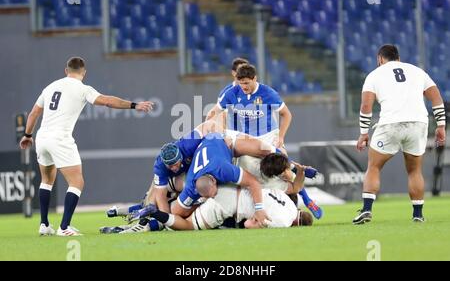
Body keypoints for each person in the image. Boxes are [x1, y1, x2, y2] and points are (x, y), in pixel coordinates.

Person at [19, 57, 153, 236]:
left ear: (66, 71)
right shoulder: (83, 89)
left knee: (46, 181)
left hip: (42, 137)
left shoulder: (50, 87)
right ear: (84, 73)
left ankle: (44, 225)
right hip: (60, 138)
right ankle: (64, 227)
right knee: (77, 182)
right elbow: (106, 101)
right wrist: (134, 105)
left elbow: (34, 113)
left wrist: (28, 135)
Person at [213, 63, 323, 219]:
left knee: (284, 168)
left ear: (254, 79)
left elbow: (287, 114)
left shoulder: (267, 93)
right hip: (246, 139)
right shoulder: (231, 92)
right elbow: (216, 113)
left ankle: (306, 201)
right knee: (246, 174)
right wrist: (220, 132)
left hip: (268, 137)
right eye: (241, 82)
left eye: (246, 83)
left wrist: (281, 137)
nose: (243, 86)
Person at [353, 45, 446, 225]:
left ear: (380, 59)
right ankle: (417, 214)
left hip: (390, 123)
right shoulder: (417, 71)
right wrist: (441, 125)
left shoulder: (374, 75)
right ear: (398, 57)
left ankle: (366, 210)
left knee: (374, 167)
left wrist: (363, 133)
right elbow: (436, 98)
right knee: (414, 170)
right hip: (418, 123)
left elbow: (366, 106)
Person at [131, 155, 313, 230]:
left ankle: (147, 204)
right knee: (186, 225)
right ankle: (154, 214)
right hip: (227, 202)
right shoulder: (284, 219)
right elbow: (250, 224)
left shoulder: (250, 160)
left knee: (182, 190)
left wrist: (301, 172)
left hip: (222, 183)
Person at [206, 57, 249, 124]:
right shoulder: (226, 93)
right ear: (233, 73)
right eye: (240, 71)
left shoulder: (256, 90)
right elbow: (214, 114)